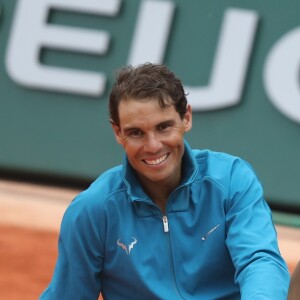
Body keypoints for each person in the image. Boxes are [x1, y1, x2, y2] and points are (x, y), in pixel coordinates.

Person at [40, 63, 290, 299]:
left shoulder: (232, 179)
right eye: (136, 132)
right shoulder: (92, 210)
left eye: (164, 127)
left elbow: (259, 260)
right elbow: (69, 294)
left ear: (186, 118)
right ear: (117, 132)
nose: (153, 146)